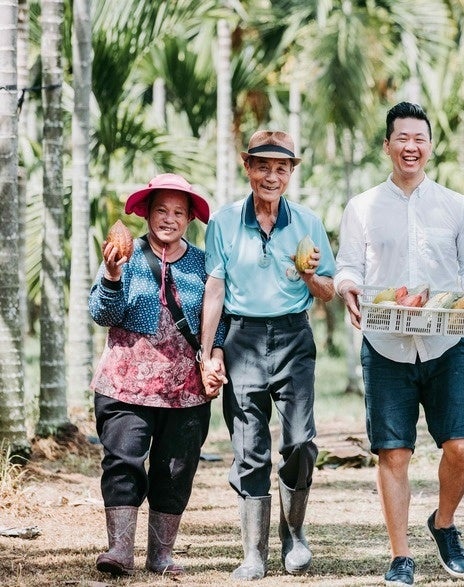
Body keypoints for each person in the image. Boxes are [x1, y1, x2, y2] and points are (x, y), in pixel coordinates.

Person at [334, 101, 464, 586]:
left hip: (446, 343)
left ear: (430, 146)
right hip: (385, 344)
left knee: (462, 446)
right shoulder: (361, 207)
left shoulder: (457, 206)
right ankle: (401, 556)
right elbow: (347, 269)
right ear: (387, 145)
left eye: (419, 138)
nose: (411, 146)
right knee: (394, 454)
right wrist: (348, 289)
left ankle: (443, 524)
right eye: (401, 138)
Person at [199, 130, 335, 580]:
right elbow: (215, 289)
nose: (271, 176)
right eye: (262, 166)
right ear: (247, 167)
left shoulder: (309, 223)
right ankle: (253, 553)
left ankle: (294, 535)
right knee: (248, 447)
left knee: (300, 440)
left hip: (294, 336)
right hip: (241, 337)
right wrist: (208, 353)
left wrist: (309, 275)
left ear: (292, 172)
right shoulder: (221, 222)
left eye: (281, 168)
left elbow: (328, 291)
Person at [89, 173, 224, 577]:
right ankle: (120, 551)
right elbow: (101, 313)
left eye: (178, 212)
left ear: (189, 219)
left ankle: (161, 555)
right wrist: (113, 276)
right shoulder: (122, 255)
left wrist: (215, 355)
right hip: (125, 385)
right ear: (146, 213)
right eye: (161, 210)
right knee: (122, 463)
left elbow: (221, 319)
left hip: (186, 389)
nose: (169, 219)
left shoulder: (203, 263)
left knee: (176, 469)